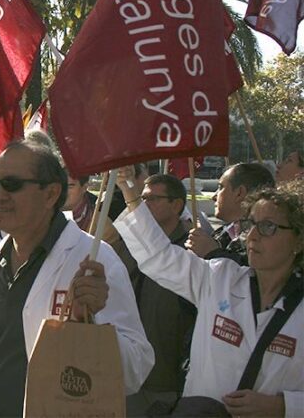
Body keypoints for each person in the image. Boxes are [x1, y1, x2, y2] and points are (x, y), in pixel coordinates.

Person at [0, 141, 154, 418]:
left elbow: (138, 368)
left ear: (51, 194)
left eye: (12, 184)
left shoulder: (94, 260)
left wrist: (92, 327)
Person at [115, 168, 303, 417]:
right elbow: (159, 256)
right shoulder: (220, 278)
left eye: (268, 227)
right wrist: (129, 189)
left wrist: (283, 407)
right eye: (252, 224)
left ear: (299, 240)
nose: (254, 236)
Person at [125, 174, 196, 416]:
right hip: (131, 374)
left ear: (176, 205)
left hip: (167, 380)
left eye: (153, 199)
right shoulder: (131, 245)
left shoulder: (192, 252)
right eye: (142, 198)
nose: (144, 205)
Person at [187, 163, 275, 265]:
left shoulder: (264, 237)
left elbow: (251, 275)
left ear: (239, 193)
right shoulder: (225, 233)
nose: (214, 196)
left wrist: (213, 253)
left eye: (221, 187)